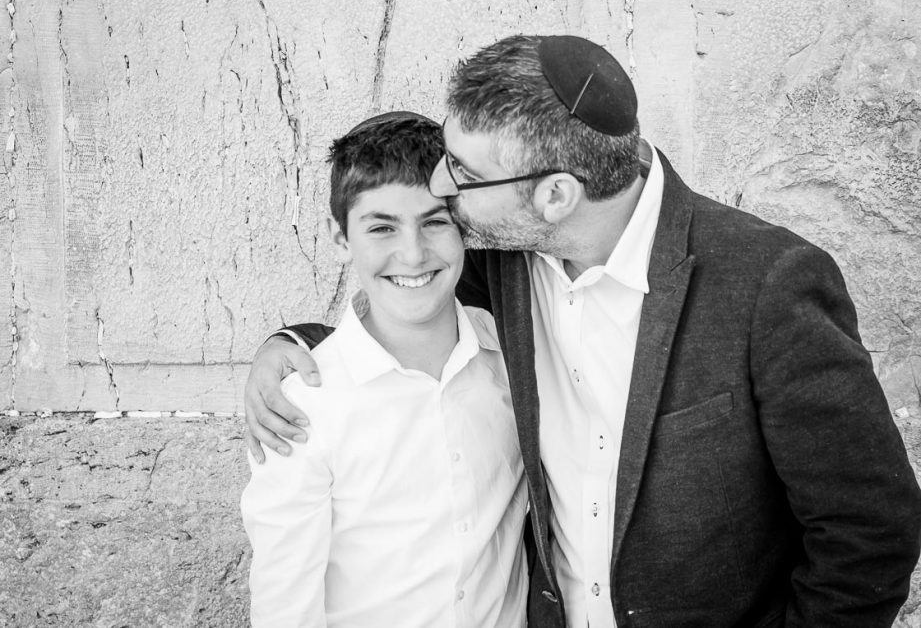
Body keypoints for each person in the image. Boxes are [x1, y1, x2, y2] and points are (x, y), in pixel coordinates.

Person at [244, 35, 921, 627]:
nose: (440, 186)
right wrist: (292, 344)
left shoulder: (765, 282)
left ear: (554, 196)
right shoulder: (501, 252)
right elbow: (408, 285)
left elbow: (869, 528)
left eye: (464, 174)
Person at [240, 112, 528, 627]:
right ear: (339, 236)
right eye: (381, 227)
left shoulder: (513, 357)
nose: (413, 254)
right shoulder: (303, 406)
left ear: (464, 224)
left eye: (434, 221)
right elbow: (285, 605)